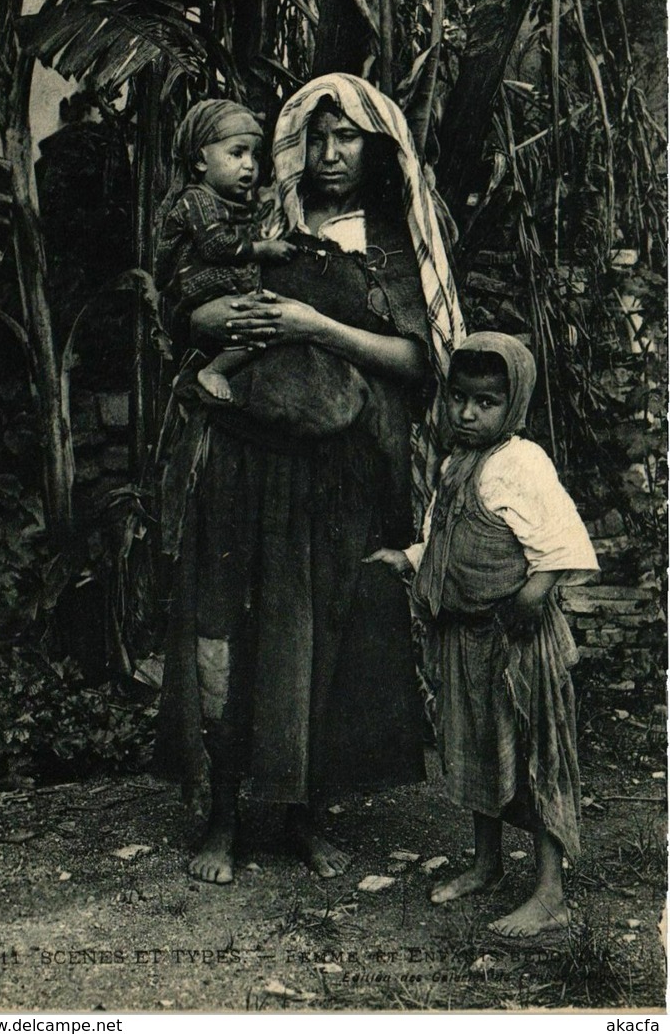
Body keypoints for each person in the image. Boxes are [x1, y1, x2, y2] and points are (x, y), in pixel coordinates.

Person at [156, 74, 464, 885]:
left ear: (375, 145)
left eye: (348, 138)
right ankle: (221, 817)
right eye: (317, 137)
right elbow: (186, 309)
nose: (329, 154)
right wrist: (206, 321)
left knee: (325, 635)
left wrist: (314, 325)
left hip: (340, 466)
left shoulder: (398, 239)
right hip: (243, 456)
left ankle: (301, 815)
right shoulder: (261, 216)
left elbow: (420, 359)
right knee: (229, 627)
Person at [365, 332, 598, 938]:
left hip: (514, 643)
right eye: (459, 399)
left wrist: (531, 597)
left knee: (533, 752)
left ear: (513, 404)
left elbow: (561, 544)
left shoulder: (523, 462)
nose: (468, 413)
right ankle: (487, 863)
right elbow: (453, 542)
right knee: (472, 748)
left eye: (486, 402)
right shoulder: (455, 465)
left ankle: (551, 893)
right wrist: (412, 558)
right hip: (463, 640)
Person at [155, 98, 296, 401]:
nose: (249, 165)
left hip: (225, 296)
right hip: (195, 302)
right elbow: (216, 245)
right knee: (261, 325)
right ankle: (210, 370)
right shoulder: (197, 200)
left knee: (267, 326)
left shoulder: (231, 203)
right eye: (236, 153)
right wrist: (263, 249)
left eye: (254, 156)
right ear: (201, 160)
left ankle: (208, 367)